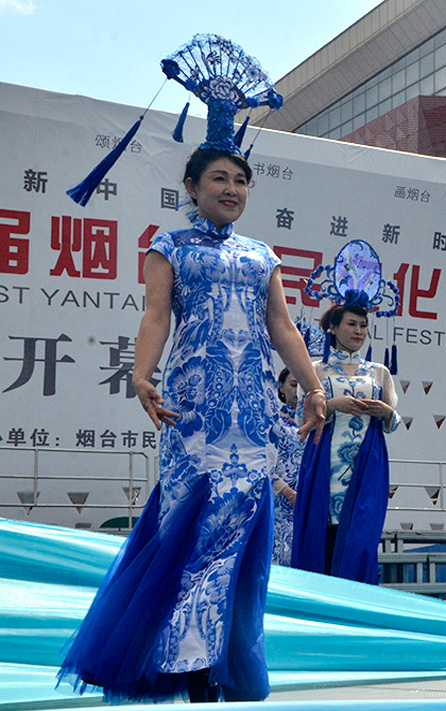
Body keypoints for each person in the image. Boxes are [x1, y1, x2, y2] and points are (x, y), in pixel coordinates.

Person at [57, 146, 327, 703]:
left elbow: (282, 327)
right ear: (192, 186)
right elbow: (156, 315)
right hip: (196, 408)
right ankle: (185, 661)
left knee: (240, 534)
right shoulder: (170, 247)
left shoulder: (262, 255)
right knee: (194, 528)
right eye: (219, 179)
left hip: (252, 409)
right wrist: (141, 375)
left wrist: (315, 388)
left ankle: (214, 665)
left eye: (241, 180)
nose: (232, 189)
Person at [291, 290, 401, 583]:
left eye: (363, 326)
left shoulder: (379, 372)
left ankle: (358, 598)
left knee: (362, 537)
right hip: (325, 460)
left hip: (367, 460)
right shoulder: (316, 370)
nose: (359, 331)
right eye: (351, 324)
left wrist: (385, 412)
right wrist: (333, 405)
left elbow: (393, 421)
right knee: (323, 533)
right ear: (333, 327)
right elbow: (302, 418)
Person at [272, 368, 303, 566]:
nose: (298, 391)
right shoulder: (272, 422)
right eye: (293, 385)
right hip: (280, 506)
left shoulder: (320, 422)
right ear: (281, 387)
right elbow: (264, 464)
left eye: (303, 385)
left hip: (310, 505)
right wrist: (289, 493)